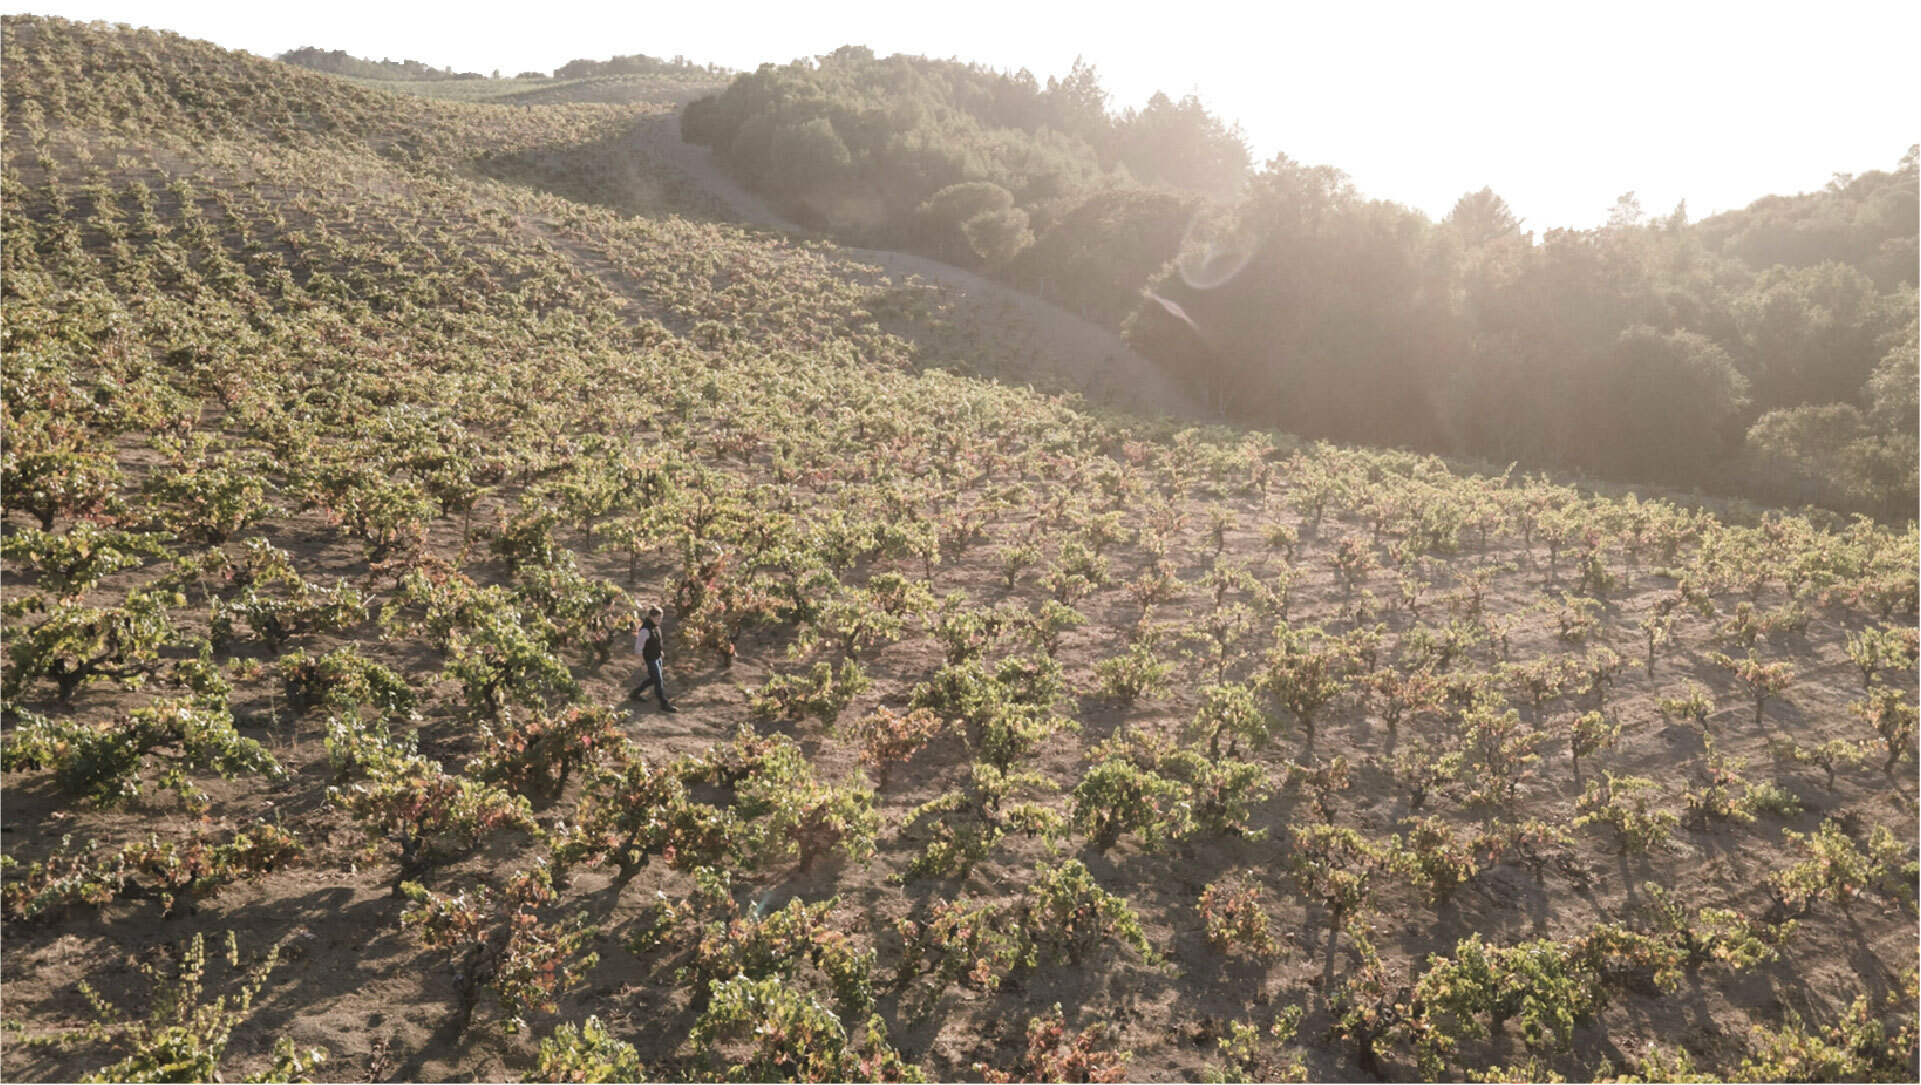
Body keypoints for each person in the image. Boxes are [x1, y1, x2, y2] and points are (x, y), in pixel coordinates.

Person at [630, 606, 679, 712]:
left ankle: (635, 693)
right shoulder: (644, 631)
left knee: (653, 679)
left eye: (661, 618)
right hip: (650, 660)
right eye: (658, 618)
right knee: (658, 681)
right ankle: (663, 703)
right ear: (651, 617)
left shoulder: (655, 626)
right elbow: (638, 649)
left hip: (657, 658)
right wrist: (643, 664)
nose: (660, 621)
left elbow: (656, 640)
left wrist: (660, 652)